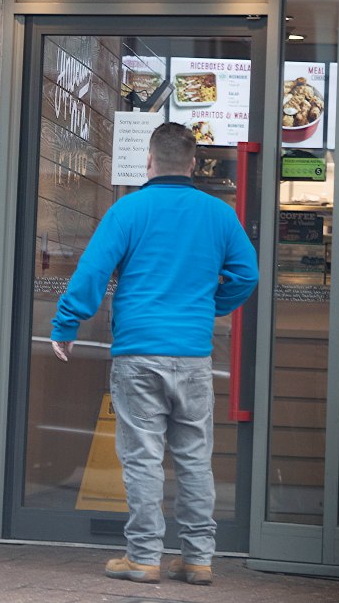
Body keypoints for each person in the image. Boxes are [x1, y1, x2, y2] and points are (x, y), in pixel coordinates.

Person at [51, 122, 258, 585]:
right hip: (192, 356)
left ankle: (144, 557)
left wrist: (66, 324)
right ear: (193, 164)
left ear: (149, 160)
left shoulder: (129, 211)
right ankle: (199, 559)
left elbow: (92, 272)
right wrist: (209, 307)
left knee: (142, 458)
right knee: (194, 458)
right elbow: (246, 275)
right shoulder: (218, 215)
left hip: (138, 354)